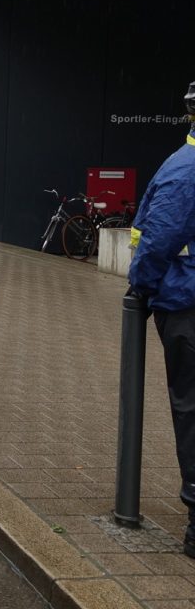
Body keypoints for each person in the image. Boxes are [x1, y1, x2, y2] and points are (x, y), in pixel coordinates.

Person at [127, 80, 195, 557]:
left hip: (185, 304)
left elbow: (157, 237)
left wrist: (141, 287)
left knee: (191, 409)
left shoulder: (184, 168)